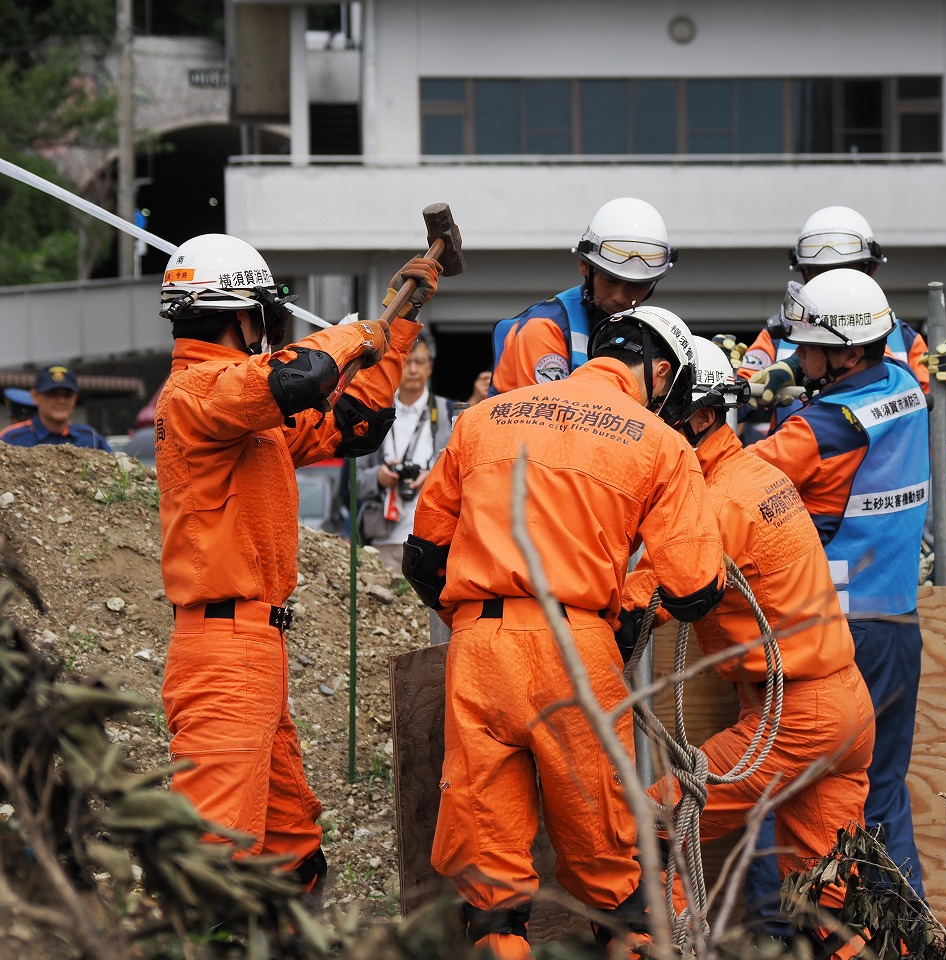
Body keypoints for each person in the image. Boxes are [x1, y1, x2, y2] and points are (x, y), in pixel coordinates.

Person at [405, 305, 725, 960]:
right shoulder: (660, 444)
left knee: (491, 890)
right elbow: (695, 590)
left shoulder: (483, 418)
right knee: (615, 876)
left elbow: (422, 560)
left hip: (476, 647)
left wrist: (478, 621)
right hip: (573, 652)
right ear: (660, 371)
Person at [153, 232, 437, 900]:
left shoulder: (245, 411)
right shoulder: (199, 394)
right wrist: (355, 334)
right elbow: (296, 376)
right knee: (212, 869)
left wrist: (399, 324)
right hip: (224, 652)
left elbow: (356, 424)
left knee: (293, 856)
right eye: (264, 314)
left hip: (253, 650)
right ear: (240, 314)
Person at [621, 337, 875, 957]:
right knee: (832, 899)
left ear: (701, 417)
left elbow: (646, 598)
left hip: (793, 718)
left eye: (660, 411)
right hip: (837, 705)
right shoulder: (753, 475)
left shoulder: (717, 502)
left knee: (654, 825)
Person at [748, 269, 931, 900]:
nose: (798, 357)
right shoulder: (905, 385)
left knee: (782, 792)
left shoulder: (823, 426)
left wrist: (733, 407)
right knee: (882, 795)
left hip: (834, 637)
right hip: (898, 623)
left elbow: (738, 485)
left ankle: (780, 938)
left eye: (810, 347)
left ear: (848, 351)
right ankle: (907, 940)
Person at [725, 205, 946, 441]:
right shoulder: (778, 336)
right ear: (803, 274)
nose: (833, 285)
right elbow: (738, 409)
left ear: (870, 270)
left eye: (845, 271)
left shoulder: (904, 340)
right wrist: (720, 376)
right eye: (820, 272)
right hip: (793, 474)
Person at [489, 197, 676, 394]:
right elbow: (546, 417)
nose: (620, 297)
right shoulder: (544, 328)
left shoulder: (649, 333)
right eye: (610, 280)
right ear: (584, 266)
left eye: (637, 285)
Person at [353, 333, 453, 569]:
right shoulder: (375, 411)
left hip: (431, 540)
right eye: (408, 362)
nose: (414, 370)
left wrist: (432, 476)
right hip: (382, 541)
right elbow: (351, 483)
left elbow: (462, 475)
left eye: (420, 362)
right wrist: (378, 478)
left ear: (430, 367)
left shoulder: (448, 413)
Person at [0, 364, 111, 451]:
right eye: (52, 393)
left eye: (67, 394)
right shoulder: (11, 439)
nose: (61, 400)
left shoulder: (90, 438)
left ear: (75, 398)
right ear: (35, 396)